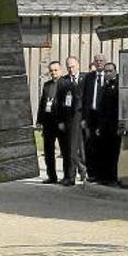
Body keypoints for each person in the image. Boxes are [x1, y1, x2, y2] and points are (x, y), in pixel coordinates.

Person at [36, 61, 72, 185]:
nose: (53, 73)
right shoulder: (47, 85)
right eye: (51, 70)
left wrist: (63, 121)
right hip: (48, 122)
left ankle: (67, 176)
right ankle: (51, 176)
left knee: (65, 150)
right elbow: (42, 103)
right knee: (48, 151)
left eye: (56, 70)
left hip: (61, 123)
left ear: (60, 70)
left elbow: (67, 105)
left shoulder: (66, 84)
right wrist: (39, 120)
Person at [57, 56, 86, 185]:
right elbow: (59, 103)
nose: (71, 69)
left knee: (82, 148)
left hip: (82, 118)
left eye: (73, 66)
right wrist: (61, 120)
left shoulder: (85, 78)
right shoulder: (63, 81)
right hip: (69, 119)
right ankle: (71, 176)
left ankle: (83, 170)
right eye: (68, 67)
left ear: (78, 65)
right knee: (70, 149)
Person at [81, 53, 107, 181]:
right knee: (90, 145)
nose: (99, 63)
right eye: (97, 61)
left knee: (103, 145)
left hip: (104, 116)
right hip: (91, 114)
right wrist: (84, 118)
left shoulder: (109, 77)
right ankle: (92, 173)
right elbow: (84, 97)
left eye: (101, 61)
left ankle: (103, 174)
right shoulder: (89, 77)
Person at [98, 62, 120, 185]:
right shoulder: (105, 86)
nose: (107, 73)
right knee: (105, 151)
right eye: (105, 71)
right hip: (104, 125)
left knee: (113, 152)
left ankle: (113, 177)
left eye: (110, 71)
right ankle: (105, 176)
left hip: (114, 124)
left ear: (115, 71)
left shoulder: (118, 85)